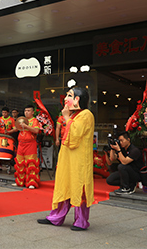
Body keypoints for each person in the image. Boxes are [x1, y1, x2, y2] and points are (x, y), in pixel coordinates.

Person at [38, 87, 95, 231]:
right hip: (68, 159)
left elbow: (76, 133)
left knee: (79, 188)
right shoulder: (74, 115)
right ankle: (56, 217)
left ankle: (81, 221)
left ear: (77, 99)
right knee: (65, 186)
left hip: (80, 161)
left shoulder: (86, 114)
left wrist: (66, 117)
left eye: (69, 95)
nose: (65, 99)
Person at [12, 105, 41, 189]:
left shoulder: (34, 120)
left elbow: (36, 131)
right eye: (25, 111)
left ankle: (31, 182)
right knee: (20, 163)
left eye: (28, 110)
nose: (26, 112)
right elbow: (15, 129)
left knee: (31, 163)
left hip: (30, 144)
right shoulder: (22, 120)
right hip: (21, 144)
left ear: (32, 112)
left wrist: (26, 126)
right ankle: (20, 181)